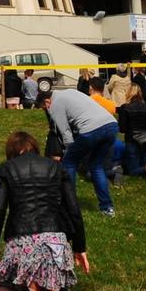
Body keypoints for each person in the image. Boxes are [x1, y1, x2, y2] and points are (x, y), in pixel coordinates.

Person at [0, 131, 87, 291]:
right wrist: (80, 247)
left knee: (29, 285)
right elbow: (74, 209)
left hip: (22, 239)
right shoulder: (57, 167)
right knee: (55, 286)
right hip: (55, 239)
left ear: (12, 151)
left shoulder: (6, 169)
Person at [38, 88, 119, 216]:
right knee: (96, 166)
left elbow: (65, 133)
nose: (46, 110)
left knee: (69, 163)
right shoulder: (71, 92)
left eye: (44, 107)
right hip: (112, 125)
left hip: (91, 130)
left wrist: (67, 150)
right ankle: (107, 207)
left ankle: (70, 205)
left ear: (47, 101)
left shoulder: (55, 105)